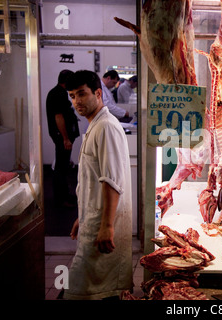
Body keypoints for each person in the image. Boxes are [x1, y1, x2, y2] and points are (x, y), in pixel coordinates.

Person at [64, 70, 133, 300]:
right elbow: (93, 180)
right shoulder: (95, 125)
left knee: (97, 288)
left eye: (82, 94)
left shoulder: (105, 127)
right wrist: (82, 216)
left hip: (103, 224)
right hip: (93, 219)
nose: (77, 102)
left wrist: (107, 226)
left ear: (97, 93)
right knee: (92, 288)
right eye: (72, 96)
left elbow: (111, 181)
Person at [46, 69, 79, 207]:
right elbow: (59, 117)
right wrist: (65, 138)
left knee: (63, 166)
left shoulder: (58, 92)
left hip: (62, 136)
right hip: (61, 137)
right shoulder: (57, 94)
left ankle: (65, 195)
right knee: (60, 168)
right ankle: (61, 200)